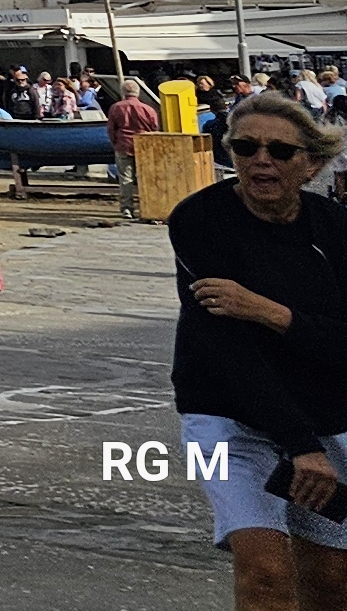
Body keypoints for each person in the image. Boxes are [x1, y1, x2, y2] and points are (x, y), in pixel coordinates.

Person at [175, 92, 347, 611]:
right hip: (226, 414)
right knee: (266, 571)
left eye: (280, 151)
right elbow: (226, 347)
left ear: (311, 163)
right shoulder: (200, 219)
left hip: (326, 413)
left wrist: (271, 313)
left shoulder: (336, 229)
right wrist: (299, 446)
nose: (260, 161)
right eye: (245, 147)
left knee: (332, 580)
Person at [114, 79, 166, 219]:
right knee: (146, 178)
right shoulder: (148, 109)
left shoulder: (116, 108)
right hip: (145, 146)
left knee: (126, 179)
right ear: (138, 92)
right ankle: (148, 208)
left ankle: (127, 209)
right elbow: (155, 128)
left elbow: (111, 129)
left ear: (123, 92)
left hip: (124, 144)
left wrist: (116, 143)